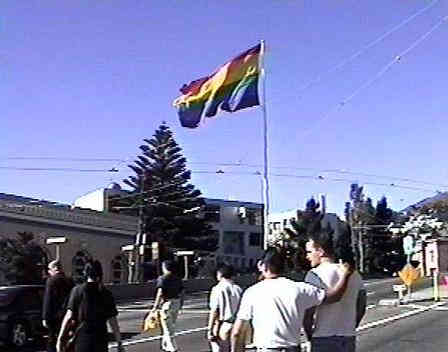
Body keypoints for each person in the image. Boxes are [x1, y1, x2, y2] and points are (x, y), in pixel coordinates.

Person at [230, 248, 353, 352]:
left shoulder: (252, 292)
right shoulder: (299, 289)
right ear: (285, 267)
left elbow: (237, 333)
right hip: (292, 348)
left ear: (261, 265)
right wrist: (345, 275)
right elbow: (335, 296)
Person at [303, 234, 366, 352]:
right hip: (348, 336)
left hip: (323, 336)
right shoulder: (354, 273)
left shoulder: (314, 275)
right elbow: (361, 304)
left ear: (321, 251)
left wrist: (309, 335)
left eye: (310, 252)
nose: (308, 256)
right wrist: (352, 325)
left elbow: (308, 312)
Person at [56, 260, 124, 352]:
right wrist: (119, 342)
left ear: (85, 273)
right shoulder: (105, 293)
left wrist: (60, 338)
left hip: (82, 339)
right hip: (100, 340)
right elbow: (113, 320)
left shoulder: (77, 291)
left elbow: (68, 317)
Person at [150, 260, 185, 352]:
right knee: (170, 325)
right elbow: (182, 292)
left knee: (168, 327)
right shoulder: (178, 279)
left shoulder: (162, 278)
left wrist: (155, 306)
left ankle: (173, 348)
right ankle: (165, 345)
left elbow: (160, 293)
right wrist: (181, 303)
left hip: (167, 303)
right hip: (176, 302)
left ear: (164, 267)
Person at [207, 264, 243, 352]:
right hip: (239, 325)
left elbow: (215, 310)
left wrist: (210, 329)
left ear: (219, 274)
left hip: (224, 325)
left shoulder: (218, 288)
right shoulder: (238, 288)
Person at [42, 260, 74, 352]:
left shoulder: (51, 281)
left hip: (54, 317)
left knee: (52, 340)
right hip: (67, 315)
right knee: (66, 339)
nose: (48, 271)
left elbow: (48, 300)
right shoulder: (69, 281)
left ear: (55, 268)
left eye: (49, 269)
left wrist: (45, 317)